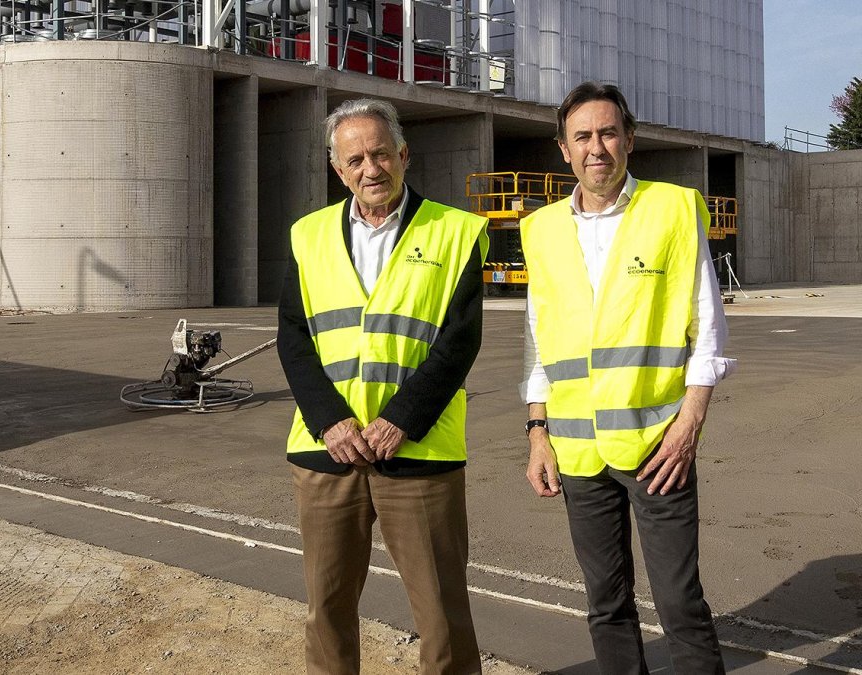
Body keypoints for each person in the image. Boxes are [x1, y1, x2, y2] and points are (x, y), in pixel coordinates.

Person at [521, 81, 736, 674]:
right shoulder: (539, 230)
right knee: (605, 603)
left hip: (657, 446)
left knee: (678, 602)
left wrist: (688, 426)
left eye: (608, 132)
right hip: (576, 450)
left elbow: (708, 330)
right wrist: (537, 433)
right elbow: (539, 342)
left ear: (630, 140)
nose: (597, 148)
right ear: (564, 149)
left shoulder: (672, 208)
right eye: (582, 136)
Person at [277, 98, 488, 675]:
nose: (370, 169)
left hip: (418, 450)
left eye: (380, 154)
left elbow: (459, 340)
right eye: (355, 160)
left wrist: (403, 418)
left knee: (442, 613)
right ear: (336, 169)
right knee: (327, 608)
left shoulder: (457, 232)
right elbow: (294, 339)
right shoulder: (307, 235)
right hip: (328, 452)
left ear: (404, 155)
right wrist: (330, 421)